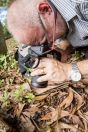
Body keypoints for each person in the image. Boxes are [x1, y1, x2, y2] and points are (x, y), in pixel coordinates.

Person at [7, 0, 88, 86]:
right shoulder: (56, 19)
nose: (50, 45)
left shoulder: (83, 4)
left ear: (45, 9)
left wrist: (68, 70)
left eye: (45, 40)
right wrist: (63, 51)